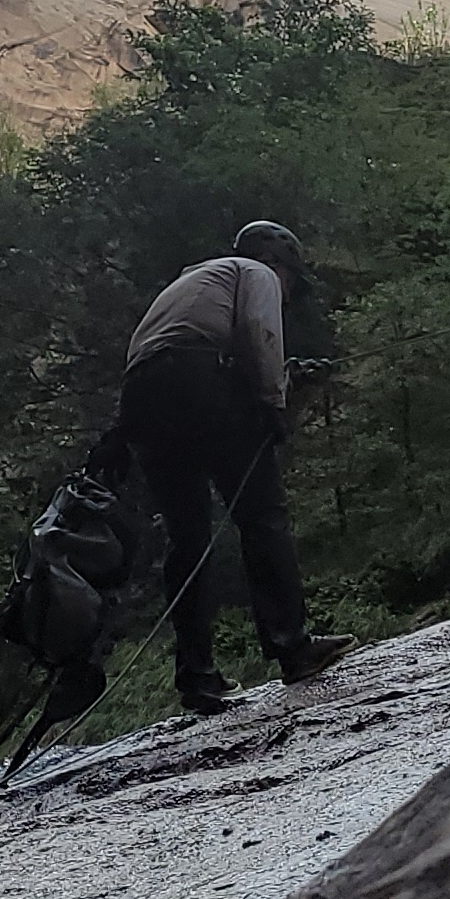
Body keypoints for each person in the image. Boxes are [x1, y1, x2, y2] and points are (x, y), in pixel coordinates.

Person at [117, 221, 353, 713]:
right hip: (198, 379)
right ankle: (292, 647)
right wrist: (274, 403)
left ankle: (196, 678)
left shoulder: (194, 281)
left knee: (187, 536)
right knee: (262, 515)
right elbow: (259, 333)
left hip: (141, 392)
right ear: (281, 265)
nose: (287, 297)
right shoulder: (257, 273)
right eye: (291, 286)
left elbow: (200, 342)